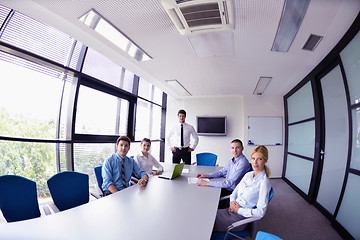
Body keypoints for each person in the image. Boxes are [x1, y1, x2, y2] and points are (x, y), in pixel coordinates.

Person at [213, 145, 272, 232]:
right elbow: (235, 191)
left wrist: (239, 210)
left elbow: (260, 213)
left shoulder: (264, 183)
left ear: (265, 160)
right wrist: (232, 202)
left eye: (259, 159)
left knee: (206, 225)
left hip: (239, 219)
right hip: (231, 209)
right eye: (253, 158)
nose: (255, 162)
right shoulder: (248, 175)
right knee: (207, 216)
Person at [196, 139, 251, 208]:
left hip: (232, 191)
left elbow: (229, 183)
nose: (235, 150)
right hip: (227, 186)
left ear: (242, 148)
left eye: (237, 147)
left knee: (207, 195)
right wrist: (207, 176)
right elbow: (221, 172)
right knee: (204, 191)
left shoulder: (242, 163)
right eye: (232, 148)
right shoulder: (233, 160)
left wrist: (206, 183)